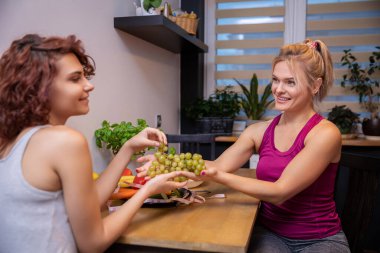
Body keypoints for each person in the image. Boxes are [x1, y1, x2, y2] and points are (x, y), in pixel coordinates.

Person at [139, 39, 351, 252]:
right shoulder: (258, 131)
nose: (278, 89)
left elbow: (280, 192)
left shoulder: (325, 134)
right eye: (275, 80)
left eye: (290, 82)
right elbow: (219, 165)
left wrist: (216, 175)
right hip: (271, 234)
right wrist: (165, 162)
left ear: (315, 86)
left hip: (320, 240)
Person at [0, 34, 187, 253]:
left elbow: (92, 203)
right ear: (39, 87)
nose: (89, 86)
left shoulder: (13, 139)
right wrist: (148, 190)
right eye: (75, 78)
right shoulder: (64, 141)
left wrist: (128, 147)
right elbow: (93, 243)